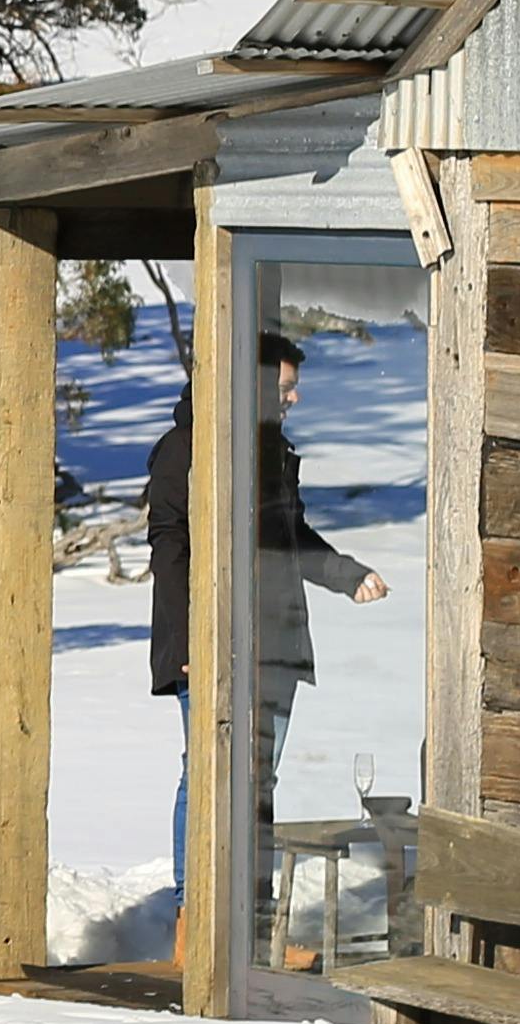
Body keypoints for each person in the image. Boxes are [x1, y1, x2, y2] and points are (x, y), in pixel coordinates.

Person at [145, 331, 387, 911]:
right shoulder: (186, 446)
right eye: (286, 387)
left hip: (275, 640)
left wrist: (348, 574)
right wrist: (189, 641)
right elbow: (170, 545)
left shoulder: (272, 449)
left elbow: (290, 537)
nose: (294, 397)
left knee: (260, 780)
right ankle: (193, 913)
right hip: (210, 645)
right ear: (252, 382)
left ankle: (251, 917)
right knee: (207, 773)